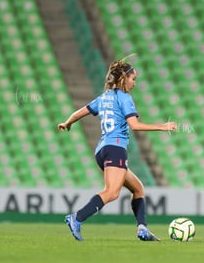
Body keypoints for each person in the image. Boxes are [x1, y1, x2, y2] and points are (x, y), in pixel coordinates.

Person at [57, 55, 177, 241]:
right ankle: (76, 218)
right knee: (112, 192)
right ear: (124, 79)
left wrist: (67, 122)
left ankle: (142, 229)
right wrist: (163, 126)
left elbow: (79, 112)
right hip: (115, 148)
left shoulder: (104, 98)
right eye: (133, 79)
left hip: (102, 150)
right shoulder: (124, 98)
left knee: (138, 188)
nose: (134, 83)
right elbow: (134, 125)